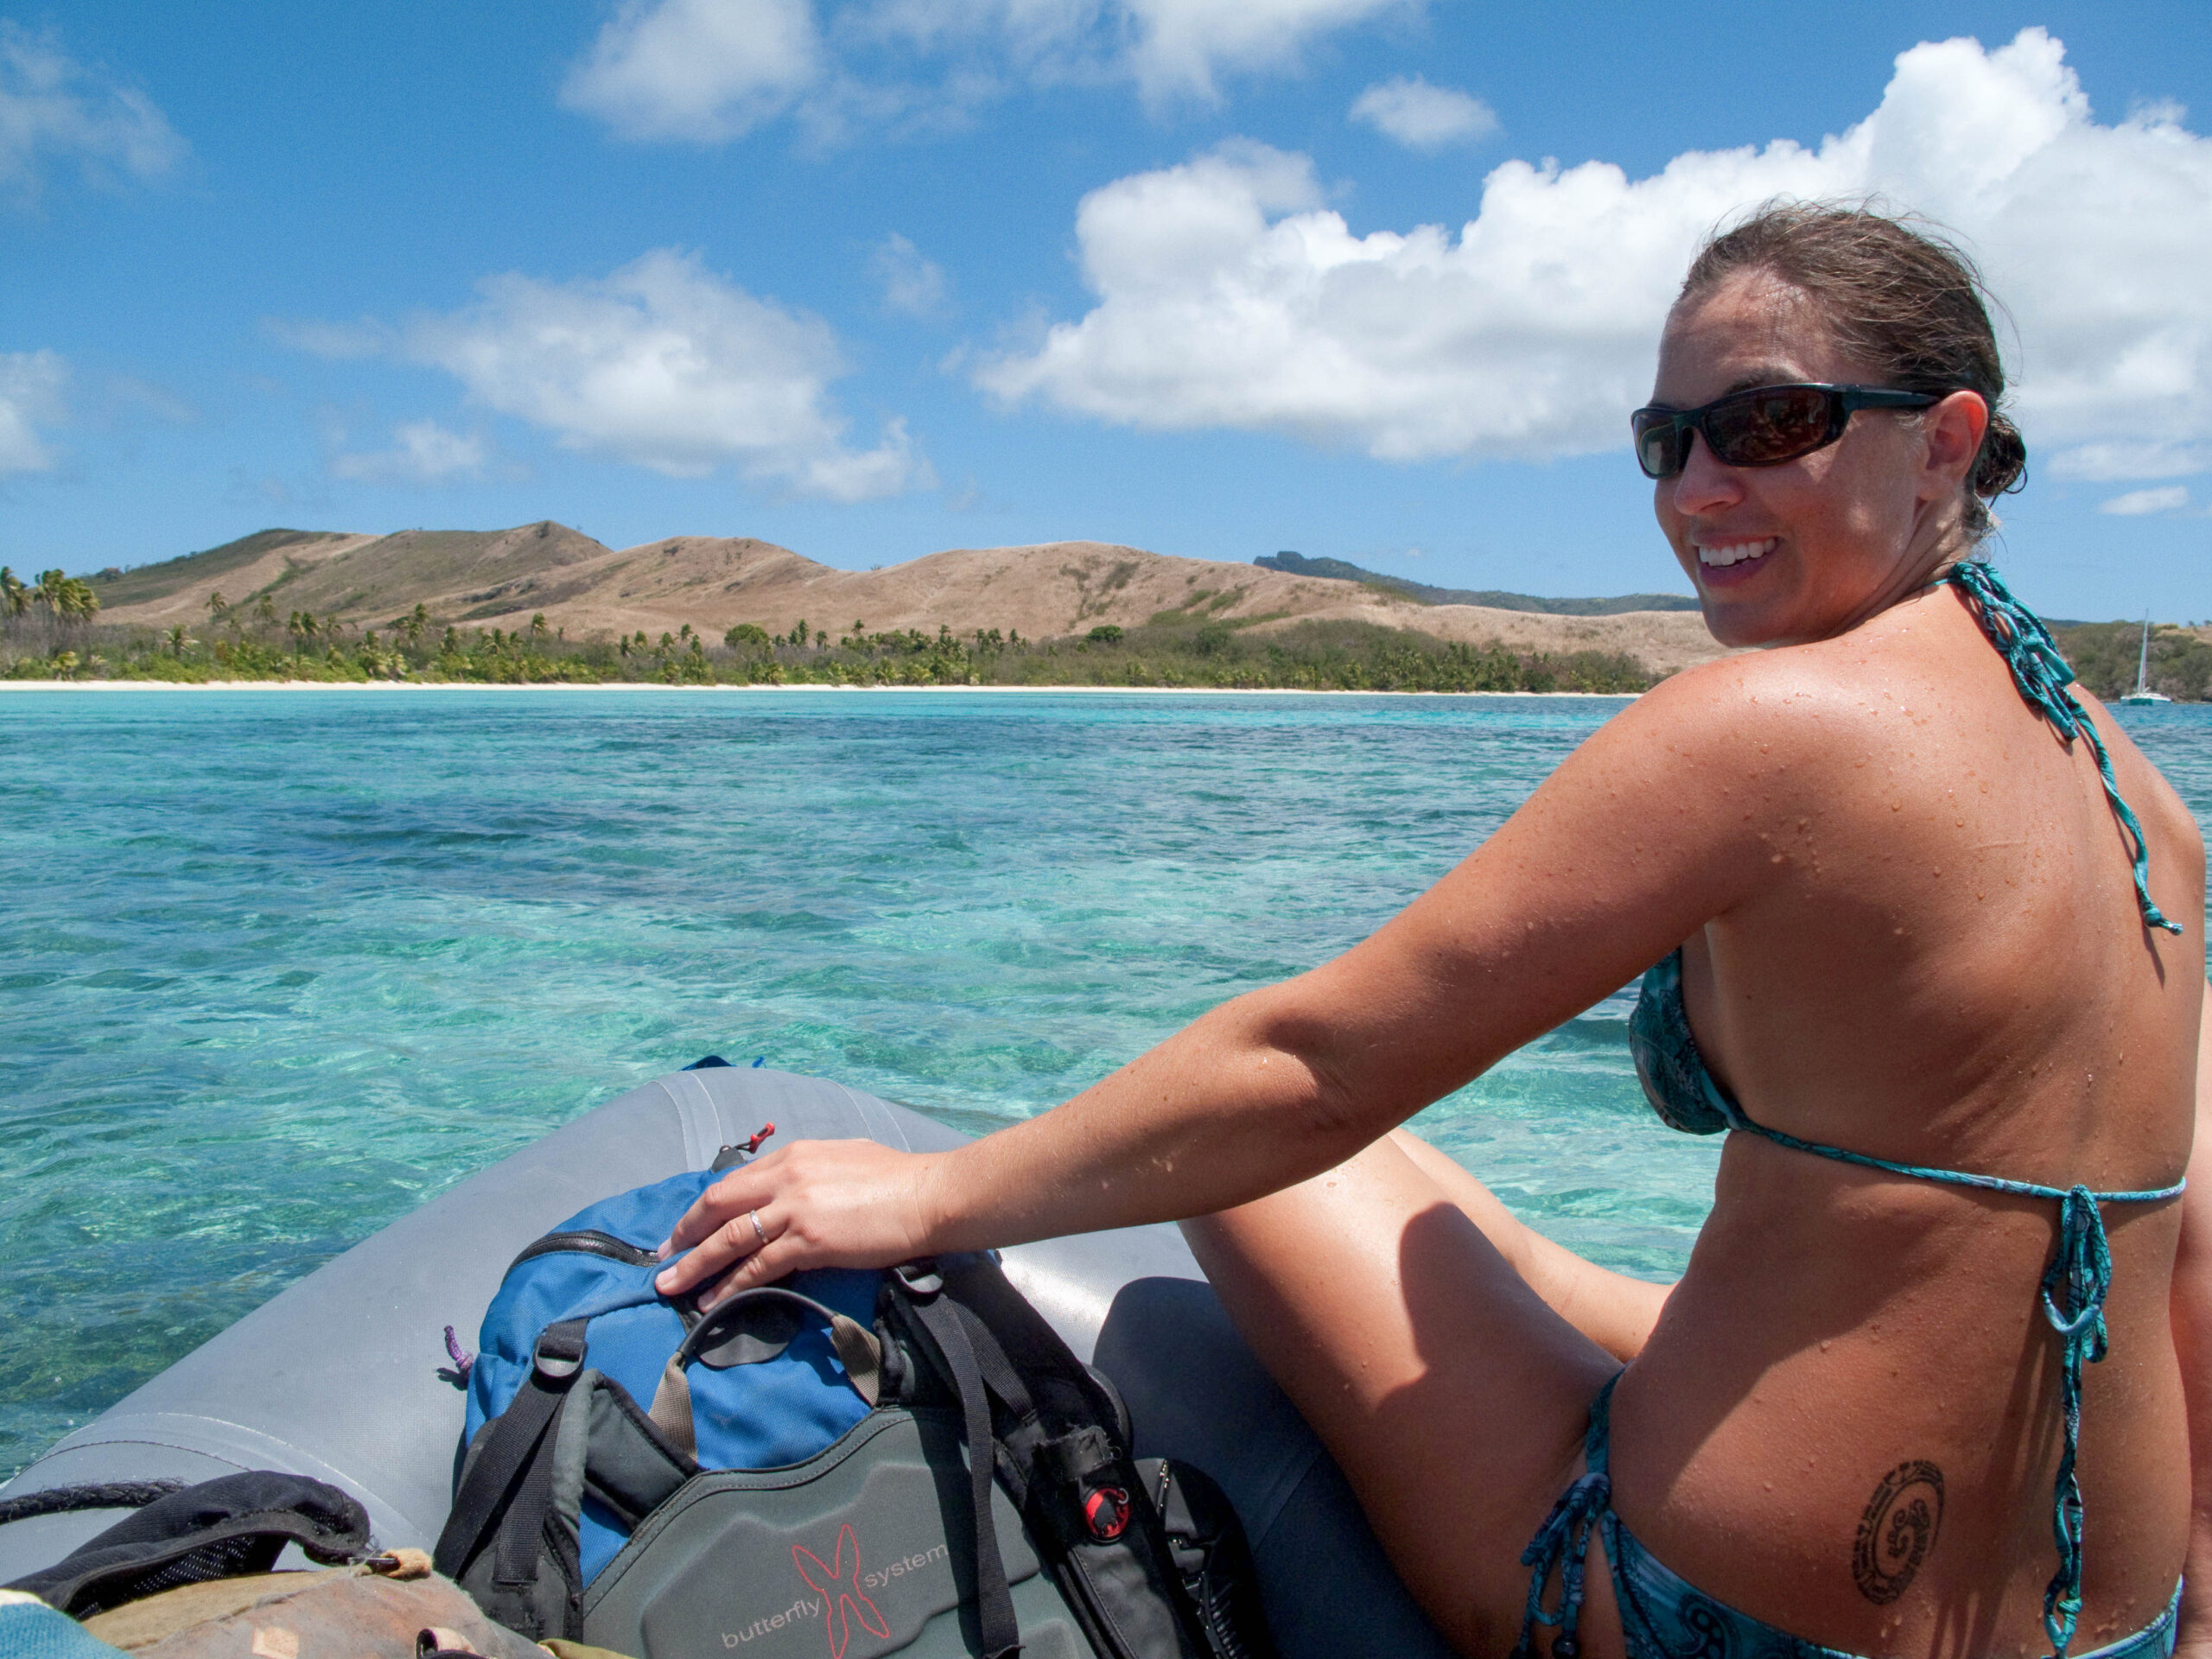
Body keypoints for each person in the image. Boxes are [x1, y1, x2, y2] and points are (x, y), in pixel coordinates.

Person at [652, 204, 2209, 1659]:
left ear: (1944, 443)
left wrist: (927, 1194)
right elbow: (2187, 1230)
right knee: (1435, 1210)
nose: (1694, 491)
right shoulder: (2138, 800)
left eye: (1766, 424)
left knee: (1280, 1167)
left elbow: (1310, 1071)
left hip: (1727, 1612)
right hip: (2116, 1622)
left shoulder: (1769, 727)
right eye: (1665, 441)